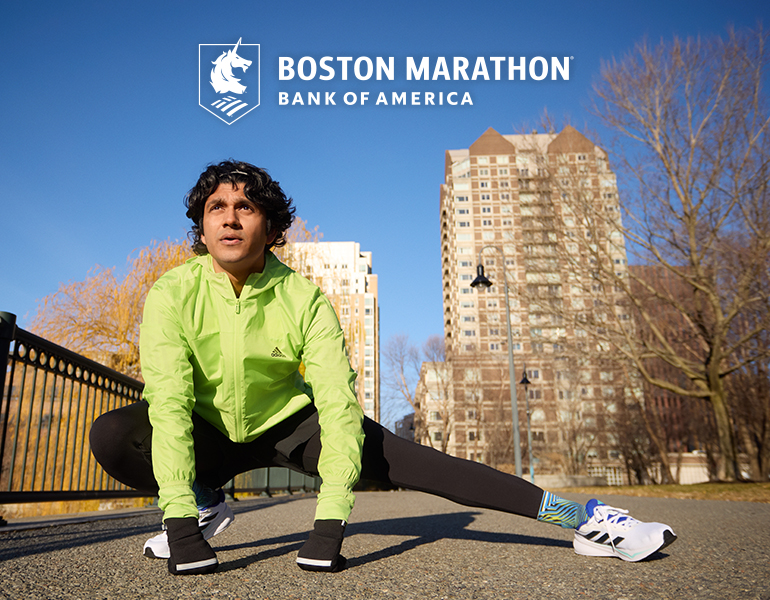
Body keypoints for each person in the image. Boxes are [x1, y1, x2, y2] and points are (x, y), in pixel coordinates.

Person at [90, 160, 677, 576]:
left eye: (245, 207)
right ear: (202, 227)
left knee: (430, 466)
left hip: (293, 423)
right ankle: (200, 500)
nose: (231, 218)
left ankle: (589, 519)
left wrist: (330, 521)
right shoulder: (171, 293)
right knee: (116, 434)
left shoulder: (305, 300)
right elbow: (168, 402)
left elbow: (339, 407)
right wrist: (179, 524)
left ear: (270, 226)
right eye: (217, 207)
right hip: (208, 427)